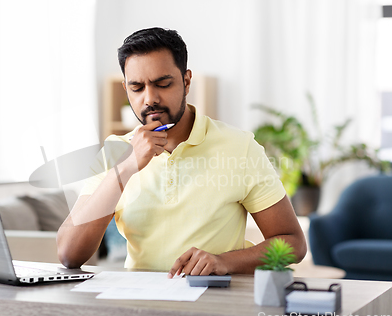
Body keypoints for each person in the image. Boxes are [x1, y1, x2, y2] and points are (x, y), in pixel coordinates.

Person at [56, 27, 306, 277]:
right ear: (126, 89)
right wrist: (126, 167)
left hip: (213, 300)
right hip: (137, 304)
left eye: (162, 84)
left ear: (186, 82)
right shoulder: (115, 152)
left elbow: (293, 243)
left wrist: (224, 262)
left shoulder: (240, 148)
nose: (149, 98)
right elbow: (69, 254)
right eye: (137, 88)